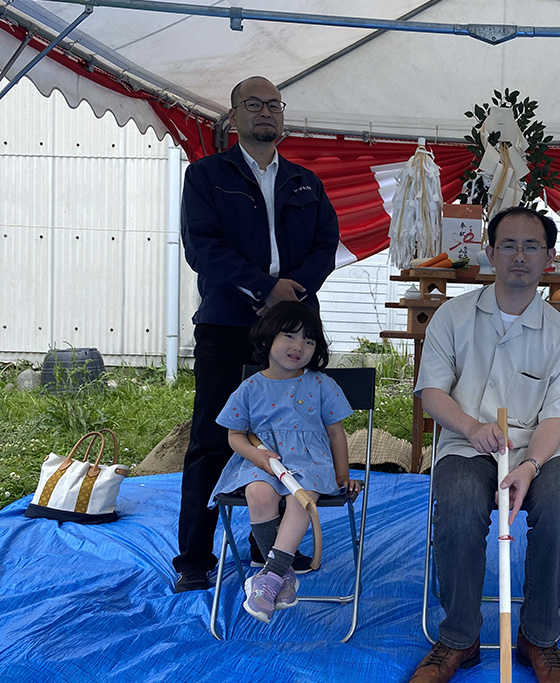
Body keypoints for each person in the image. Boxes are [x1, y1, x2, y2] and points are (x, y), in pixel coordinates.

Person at [174, 76, 340, 593]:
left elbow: (325, 245)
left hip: (292, 327)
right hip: (228, 321)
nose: (265, 113)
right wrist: (265, 289)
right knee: (212, 438)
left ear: (282, 116)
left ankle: (267, 543)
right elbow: (202, 247)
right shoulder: (206, 176)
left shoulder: (305, 182)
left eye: (274, 105)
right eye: (254, 104)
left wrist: (291, 295)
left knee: (288, 432)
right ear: (234, 115)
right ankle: (196, 558)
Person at [409, 206, 560, 683]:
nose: (519, 255)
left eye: (532, 246)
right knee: (462, 506)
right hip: (468, 445)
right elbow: (431, 392)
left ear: (549, 258)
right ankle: (459, 638)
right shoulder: (454, 316)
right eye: (508, 244)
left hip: (540, 452)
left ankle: (539, 636)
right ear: (489, 253)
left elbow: (559, 416)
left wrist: (530, 465)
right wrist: (469, 427)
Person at [207, 302, 360, 623]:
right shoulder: (249, 388)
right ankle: (283, 575)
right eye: (289, 335)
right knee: (258, 494)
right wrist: (257, 457)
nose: (299, 346)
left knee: (302, 496)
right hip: (263, 462)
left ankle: (270, 574)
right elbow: (235, 436)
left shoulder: (320, 384)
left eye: (309, 340)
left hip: (310, 463)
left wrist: (343, 473)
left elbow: (336, 433)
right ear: (266, 340)